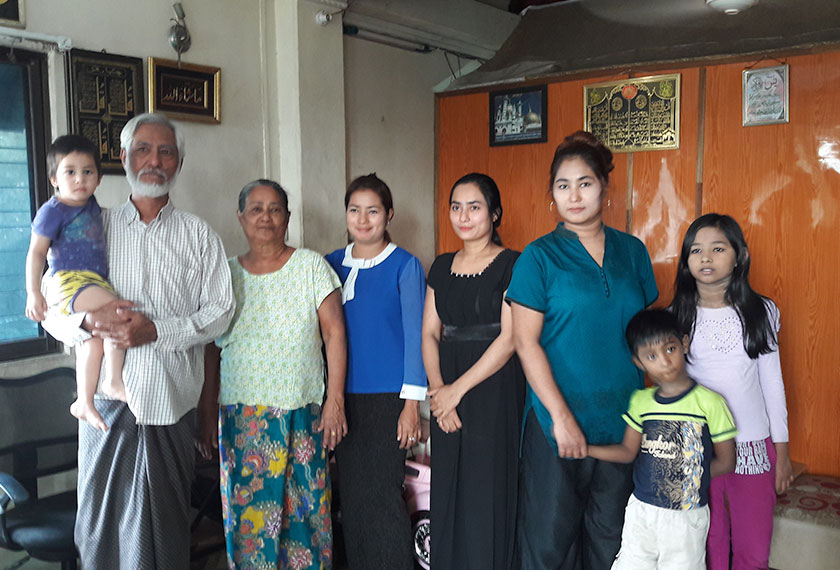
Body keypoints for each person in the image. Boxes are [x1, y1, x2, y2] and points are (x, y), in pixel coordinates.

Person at [42, 113, 235, 570]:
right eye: (143, 149)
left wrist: (157, 330)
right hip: (107, 407)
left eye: (166, 151)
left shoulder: (198, 235)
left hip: (170, 402)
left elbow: (221, 311)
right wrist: (88, 326)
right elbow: (53, 303)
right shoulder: (93, 225)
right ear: (123, 158)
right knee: (101, 528)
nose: (154, 160)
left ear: (179, 163)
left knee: (167, 528)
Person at [506, 130, 659, 570]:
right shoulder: (539, 257)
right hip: (556, 424)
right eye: (563, 185)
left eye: (585, 183)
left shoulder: (632, 253)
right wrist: (562, 419)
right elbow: (525, 342)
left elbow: (646, 337)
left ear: (605, 189)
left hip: (623, 423)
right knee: (548, 544)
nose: (574, 195)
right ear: (552, 195)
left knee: (613, 543)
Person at [198, 179, 347, 569]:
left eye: (275, 208)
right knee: (250, 523)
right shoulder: (224, 275)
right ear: (241, 218)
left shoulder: (312, 266)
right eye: (256, 208)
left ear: (287, 218)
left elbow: (334, 333)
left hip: (302, 410)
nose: (266, 216)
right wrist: (204, 412)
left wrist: (335, 400)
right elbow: (211, 351)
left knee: (308, 515)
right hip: (243, 417)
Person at [669, 213, 794, 570]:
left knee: (754, 548)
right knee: (709, 544)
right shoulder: (676, 315)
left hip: (753, 448)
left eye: (717, 249)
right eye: (696, 250)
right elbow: (668, 384)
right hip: (698, 448)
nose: (705, 258)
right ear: (686, 261)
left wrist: (781, 453)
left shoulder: (761, 311)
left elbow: (773, 385)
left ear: (739, 256)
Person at [422, 173, 524, 570]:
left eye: (475, 207)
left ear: (494, 213)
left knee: (488, 488)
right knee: (449, 488)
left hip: (492, 387)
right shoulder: (441, 265)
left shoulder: (514, 263)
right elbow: (429, 332)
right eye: (456, 207)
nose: (464, 216)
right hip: (445, 388)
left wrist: (455, 392)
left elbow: (510, 338)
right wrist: (438, 392)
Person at [325, 173, 426, 570]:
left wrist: (412, 405)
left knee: (383, 496)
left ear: (389, 215)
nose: (363, 219)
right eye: (354, 210)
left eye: (372, 211)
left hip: (389, 401)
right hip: (341, 397)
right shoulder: (331, 263)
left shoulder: (404, 265)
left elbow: (416, 335)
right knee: (351, 497)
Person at [589, 308, 737, 570]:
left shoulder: (710, 403)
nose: (665, 362)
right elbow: (627, 451)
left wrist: (689, 476)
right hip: (642, 512)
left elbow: (726, 462)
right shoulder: (641, 401)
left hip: (687, 516)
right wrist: (587, 449)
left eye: (670, 349)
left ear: (684, 344)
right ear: (638, 362)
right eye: (652, 356)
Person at [25, 134, 125, 432]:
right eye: (70, 172)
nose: (79, 179)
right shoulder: (52, 211)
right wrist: (33, 293)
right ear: (54, 179)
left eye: (87, 172)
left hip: (92, 280)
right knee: (115, 316)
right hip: (69, 280)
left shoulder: (94, 206)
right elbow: (36, 253)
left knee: (91, 340)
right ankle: (114, 380)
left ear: (99, 178)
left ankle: (84, 400)